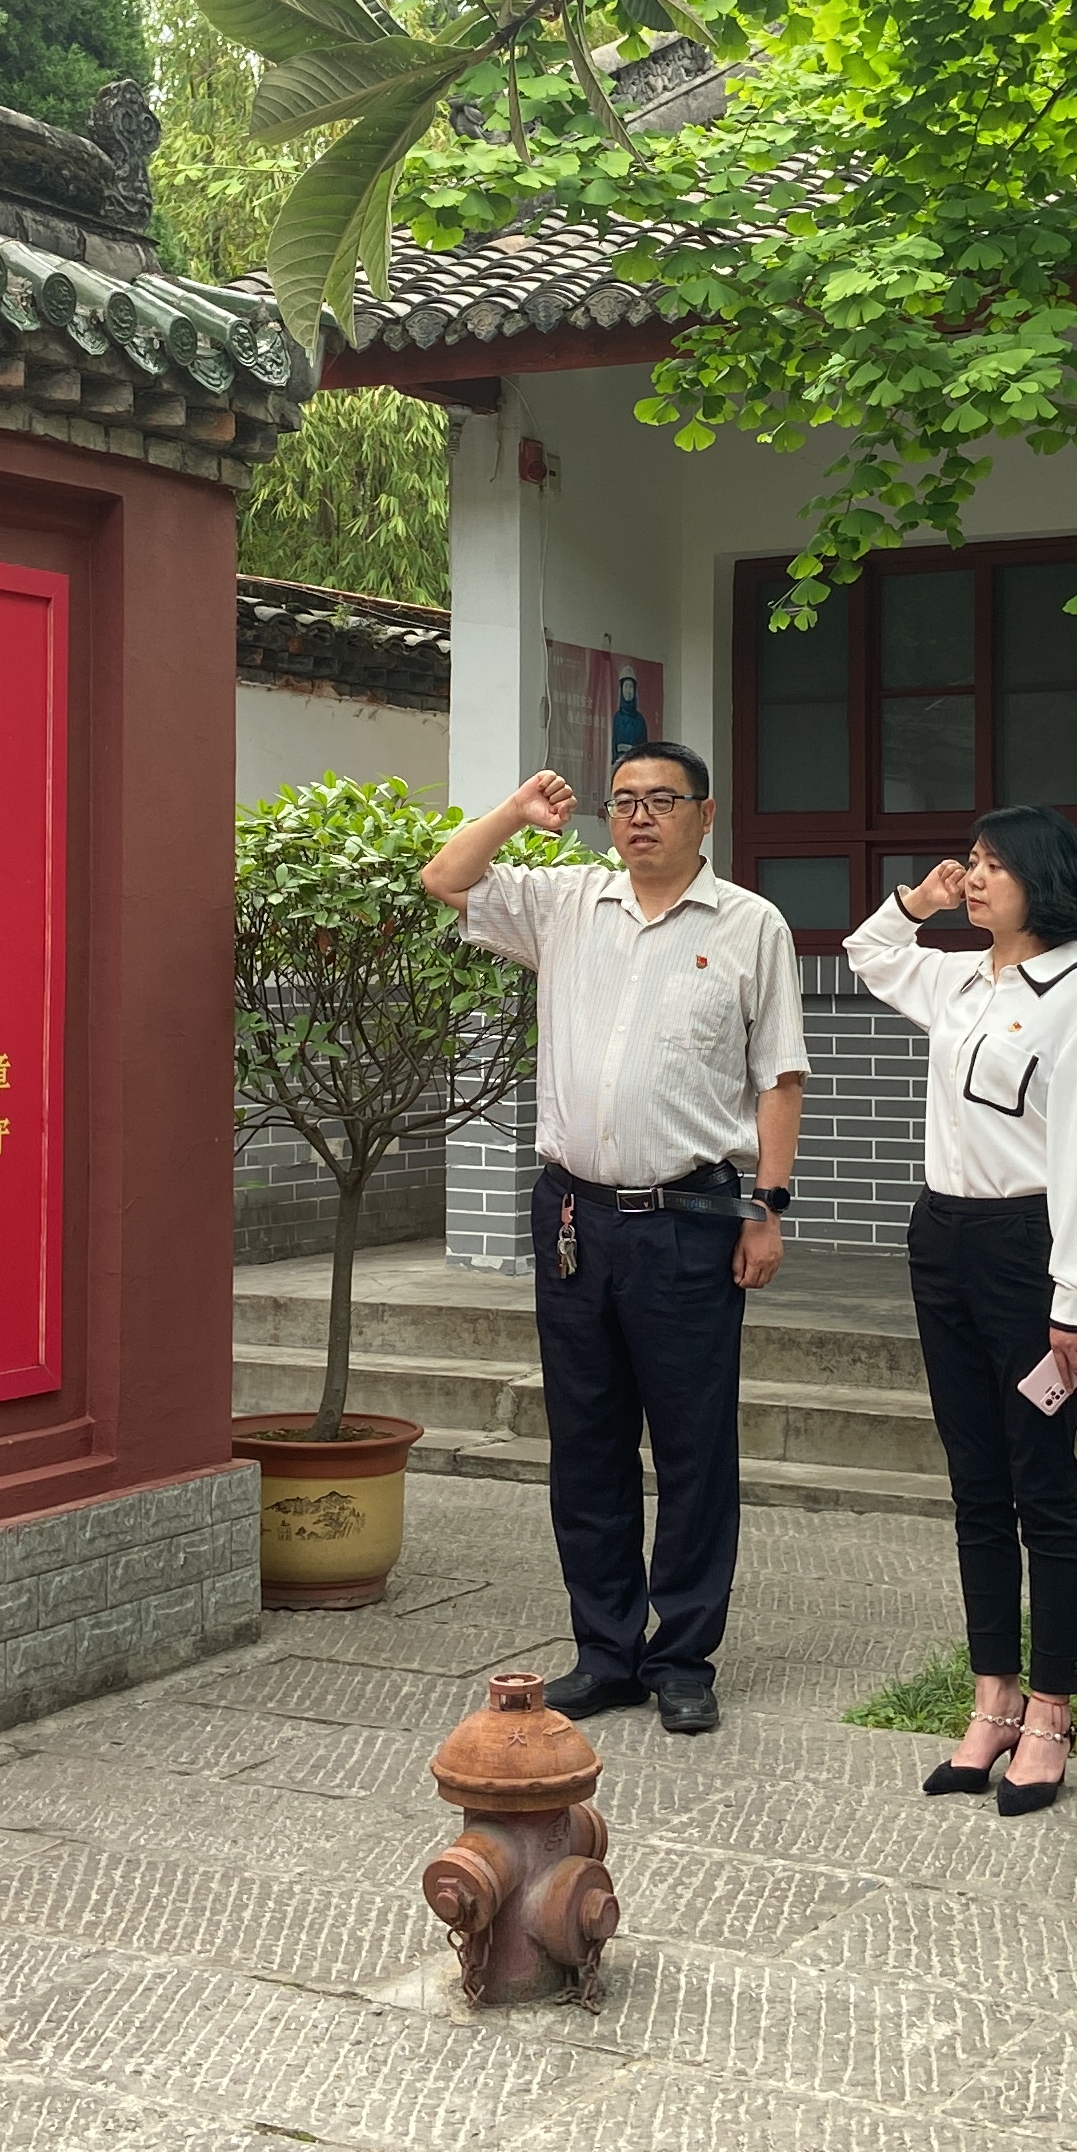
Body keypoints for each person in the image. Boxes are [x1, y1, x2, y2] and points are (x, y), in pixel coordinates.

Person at [423, 744, 807, 1736]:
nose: (639, 817)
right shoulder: (565, 904)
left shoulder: (750, 925)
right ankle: (604, 1651)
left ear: (704, 815)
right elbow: (445, 878)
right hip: (574, 1220)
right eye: (624, 801)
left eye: (662, 801)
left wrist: (769, 1208)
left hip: (691, 1222)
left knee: (692, 1448)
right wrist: (514, 812)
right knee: (586, 1443)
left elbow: (779, 1077)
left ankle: (681, 1657)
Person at [847, 807, 1077, 1818]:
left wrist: (1075, 1297)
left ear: (1042, 882)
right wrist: (916, 901)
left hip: (1027, 1249)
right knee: (974, 1483)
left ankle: (1050, 1710)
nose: (972, 878)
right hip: (943, 1238)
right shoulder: (962, 978)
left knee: (1041, 1486)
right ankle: (991, 1698)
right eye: (971, 862)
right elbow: (870, 953)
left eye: (992, 866)